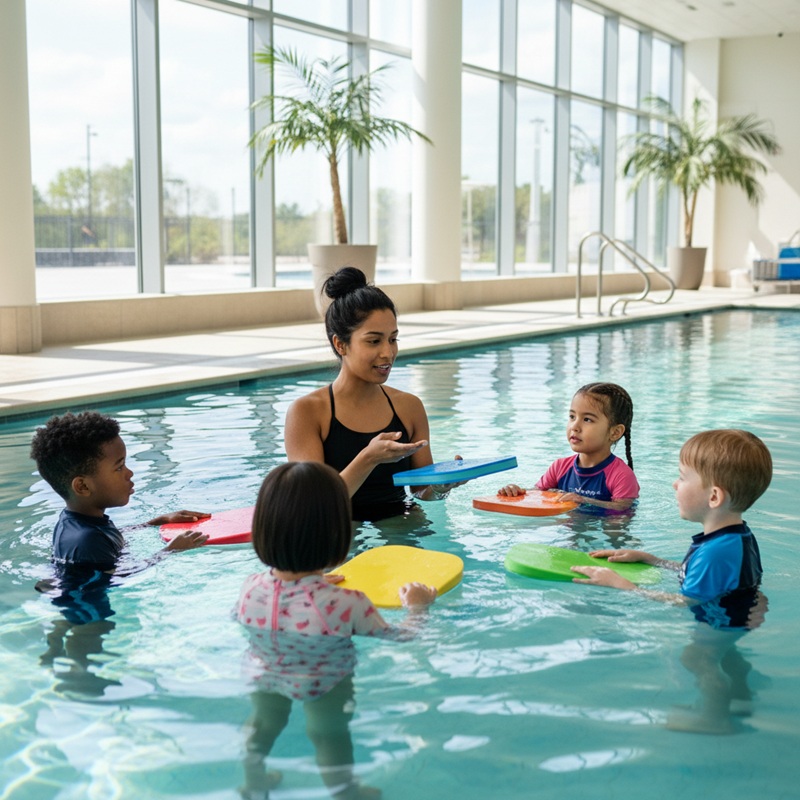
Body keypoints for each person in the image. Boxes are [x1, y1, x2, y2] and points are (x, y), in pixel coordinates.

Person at [236, 461, 436, 799]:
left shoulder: (251, 586)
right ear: (337, 533)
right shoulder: (346, 602)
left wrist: (309, 587)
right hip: (325, 682)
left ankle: (253, 781)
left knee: (261, 725)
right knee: (329, 734)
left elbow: (272, 611)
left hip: (263, 672)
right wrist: (418, 607)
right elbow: (403, 637)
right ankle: (345, 792)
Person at [571, 429, 772, 733]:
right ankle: (741, 693)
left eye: (682, 477)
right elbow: (703, 576)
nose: (675, 484)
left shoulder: (715, 552)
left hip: (720, 620)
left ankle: (714, 718)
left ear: (714, 496)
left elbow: (685, 601)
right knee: (726, 654)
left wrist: (622, 585)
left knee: (697, 659)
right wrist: (651, 559)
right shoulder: (733, 536)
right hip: (738, 614)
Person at [30, 411, 209, 691]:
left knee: (69, 616)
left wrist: (154, 522)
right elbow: (120, 574)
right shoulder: (87, 539)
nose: (130, 473)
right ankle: (78, 678)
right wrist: (169, 551)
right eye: (119, 467)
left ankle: (53, 650)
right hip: (86, 593)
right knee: (92, 628)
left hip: (71, 584)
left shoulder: (83, 520)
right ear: (83, 486)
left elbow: (111, 537)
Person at [284, 267, 458, 522]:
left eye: (393, 339)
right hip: (338, 524)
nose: (388, 353)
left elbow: (421, 490)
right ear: (340, 344)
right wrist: (369, 458)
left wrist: (442, 486)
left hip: (399, 518)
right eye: (374, 341)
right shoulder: (308, 412)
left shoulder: (409, 407)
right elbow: (315, 505)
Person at [499, 382, 639, 511]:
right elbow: (537, 495)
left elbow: (622, 511)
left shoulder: (622, 475)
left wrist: (585, 501)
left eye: (587, 419)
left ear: (615, 432)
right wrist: (517, 492)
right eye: (572, 417)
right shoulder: (559, 467)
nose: (574, 426)